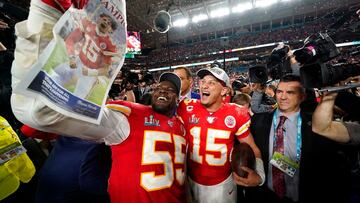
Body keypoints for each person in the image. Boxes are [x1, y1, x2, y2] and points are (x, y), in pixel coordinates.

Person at [11, 1, 188, 202]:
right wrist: (45, 15)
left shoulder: (183, 124)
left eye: (171, 89)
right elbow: (45, 114)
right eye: (159, 87)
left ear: (179, 97)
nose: (163, 90)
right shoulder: (129, 118)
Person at [247, 75, 351, 203]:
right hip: (266, 195)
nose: (283, 97)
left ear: (302, 96)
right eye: (279, 92)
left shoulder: (316, 125)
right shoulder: (258, 121)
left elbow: (329, 168)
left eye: (290, 92)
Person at [177, 66, 265, 203]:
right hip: (190, 181)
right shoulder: (186, 107)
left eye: (211, 82)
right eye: (202, 81)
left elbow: (252, 147)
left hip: (223, 185)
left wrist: (260, 175)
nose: (204, 86)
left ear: (224, 90)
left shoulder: (237, 113)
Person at [64, 13, 118, 99]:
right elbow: (71, 39)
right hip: (78, 61)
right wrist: (71, 58)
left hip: (89, 74)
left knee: (76, 100)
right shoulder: (88, 25)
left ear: (111, 30)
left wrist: (90, 72)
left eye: (109, 23)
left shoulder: (110, 46)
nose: (106, 22)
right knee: (54, 76)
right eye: (104, 20)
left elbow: (105, 70)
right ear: (99, 19)